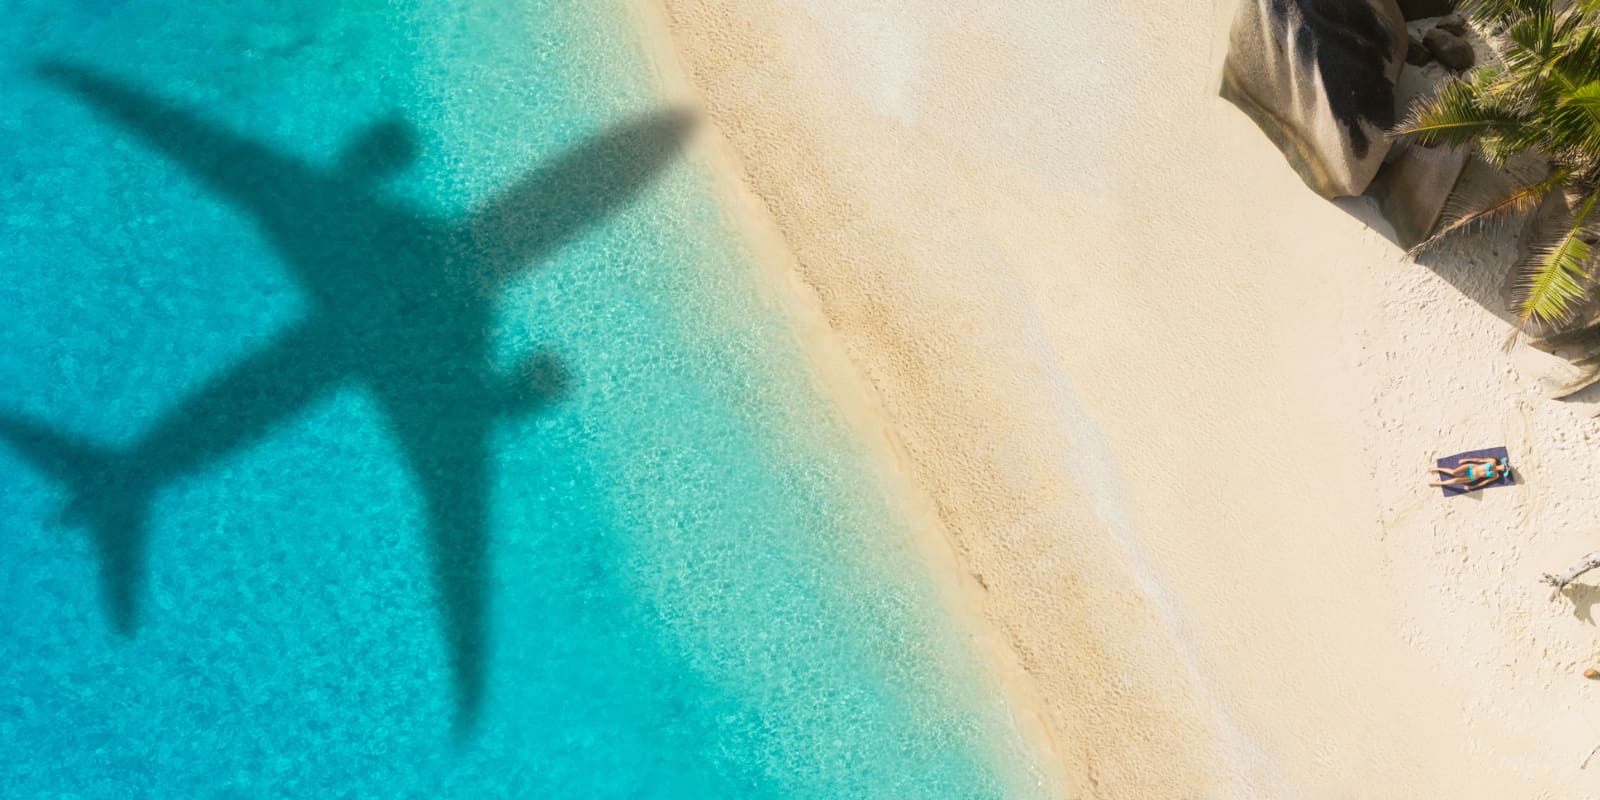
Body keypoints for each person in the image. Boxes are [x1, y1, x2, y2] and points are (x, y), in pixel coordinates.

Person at [1429, 456, 1510, 490]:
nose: (1504, 468)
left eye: (1505, 469)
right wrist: (1466, 460)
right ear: (1503, 463)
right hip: (1471, 467)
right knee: (1453, 472)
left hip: (1473, 477)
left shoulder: (1496, 475)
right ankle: (1436, 468)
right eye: (1505, 466)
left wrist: (1472, 487)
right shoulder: (1492, 461)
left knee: (1454, 481)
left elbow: (1484, 482)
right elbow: (1479, 460)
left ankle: (1437, 483)